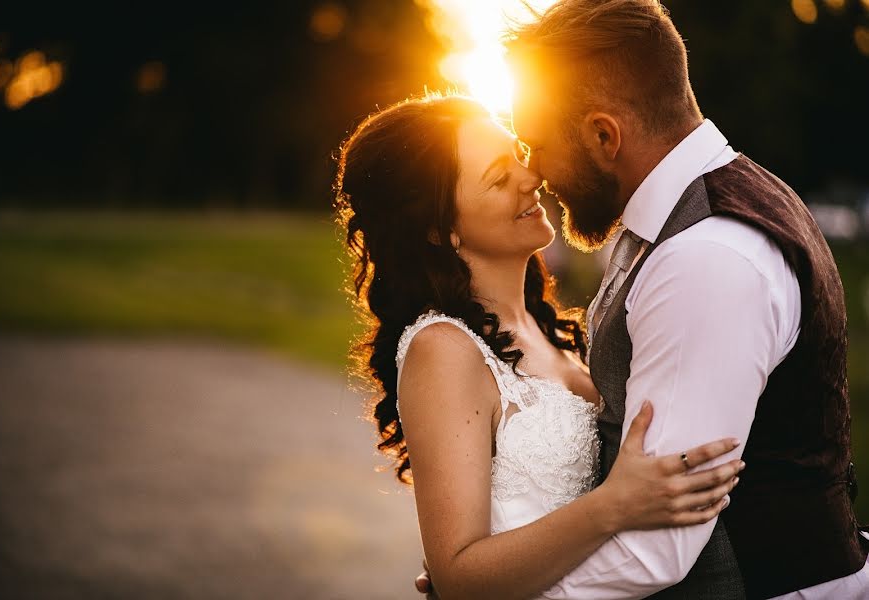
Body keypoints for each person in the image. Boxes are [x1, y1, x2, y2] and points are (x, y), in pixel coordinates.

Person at [415, 1, 869, 598]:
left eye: (537, 144)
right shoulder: (693, 212)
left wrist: (493, 590)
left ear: (604, 135)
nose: (537, 171)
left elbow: (657, 548)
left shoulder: (704, 257)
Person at [333, 93, 744, 600]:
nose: (532, 178)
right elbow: (460, 577)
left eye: (517, 157)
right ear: (440, 230)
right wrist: (613, 505)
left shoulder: (549, 330)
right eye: (499, 179)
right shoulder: (443, 350)